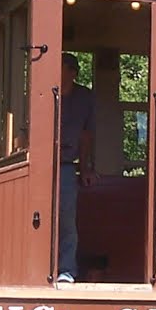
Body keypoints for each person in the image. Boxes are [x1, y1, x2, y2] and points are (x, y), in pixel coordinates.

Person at [56, 54, 97, 284]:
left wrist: (85, 168)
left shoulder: (84, 98)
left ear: (72, 72)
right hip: (41, 165)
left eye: (60, 67)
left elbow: (86, 135)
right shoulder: (44, 92)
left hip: (67, 166)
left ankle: (66, 270)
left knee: (66, 219)